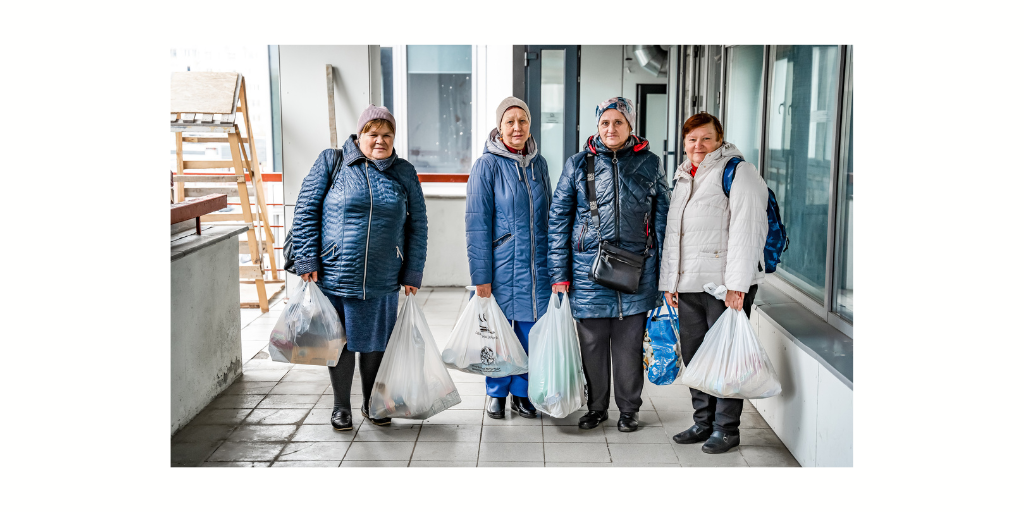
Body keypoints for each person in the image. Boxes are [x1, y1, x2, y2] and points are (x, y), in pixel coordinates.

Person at [290, 105, 428, 431]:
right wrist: (308, 259)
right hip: (335, 272)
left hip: (382, 276)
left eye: (387, 135)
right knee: (339, 343)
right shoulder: (332, 161)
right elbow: (306, 211)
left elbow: (418, 226)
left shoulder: (403, 171)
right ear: (360, 133)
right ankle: (341, 406)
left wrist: (412, 271)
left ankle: (371, 402)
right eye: (373, 133)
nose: (379, 140)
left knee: (375, 343)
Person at [548, 97, 669, 432]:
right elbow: (558, 221)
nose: (611, 129)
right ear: (597, 126)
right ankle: (597, 408)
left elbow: (662, 223)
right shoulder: (577, 165)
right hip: (588, 273)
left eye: (618, 122)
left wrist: (662, 274)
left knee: (629, 348)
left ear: (630, 126)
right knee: (592, 347)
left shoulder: (649, 163)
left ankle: (629, 410)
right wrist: (559, 275)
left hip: (637, 271)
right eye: (605, 122)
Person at [659, 112, 769, 454]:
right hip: (690, 284)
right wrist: (669, 282)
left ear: (719, 140)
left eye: (706, 138)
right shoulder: (683, 176)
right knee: (696, 357)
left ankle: (726, 428)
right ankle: (703, 421)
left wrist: (737, 285)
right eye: (692, 139)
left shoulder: (739, 172)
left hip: (724, 287)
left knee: (726, 360)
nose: (698, 145)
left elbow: (747, 231)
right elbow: (675, 235)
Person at [465, 96, 550, 420]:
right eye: (510, 122)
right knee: (497, 334)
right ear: (499, 128)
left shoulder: (539, 164)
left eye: (523, 121)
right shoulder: (486, 165)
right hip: (500, 267)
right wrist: (480, 278)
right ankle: (496, 392)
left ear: (529, 125)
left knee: (531, 336)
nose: (517, 127)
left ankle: (522, 393)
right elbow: (476, 226)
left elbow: (549, 217)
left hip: (536, 268)